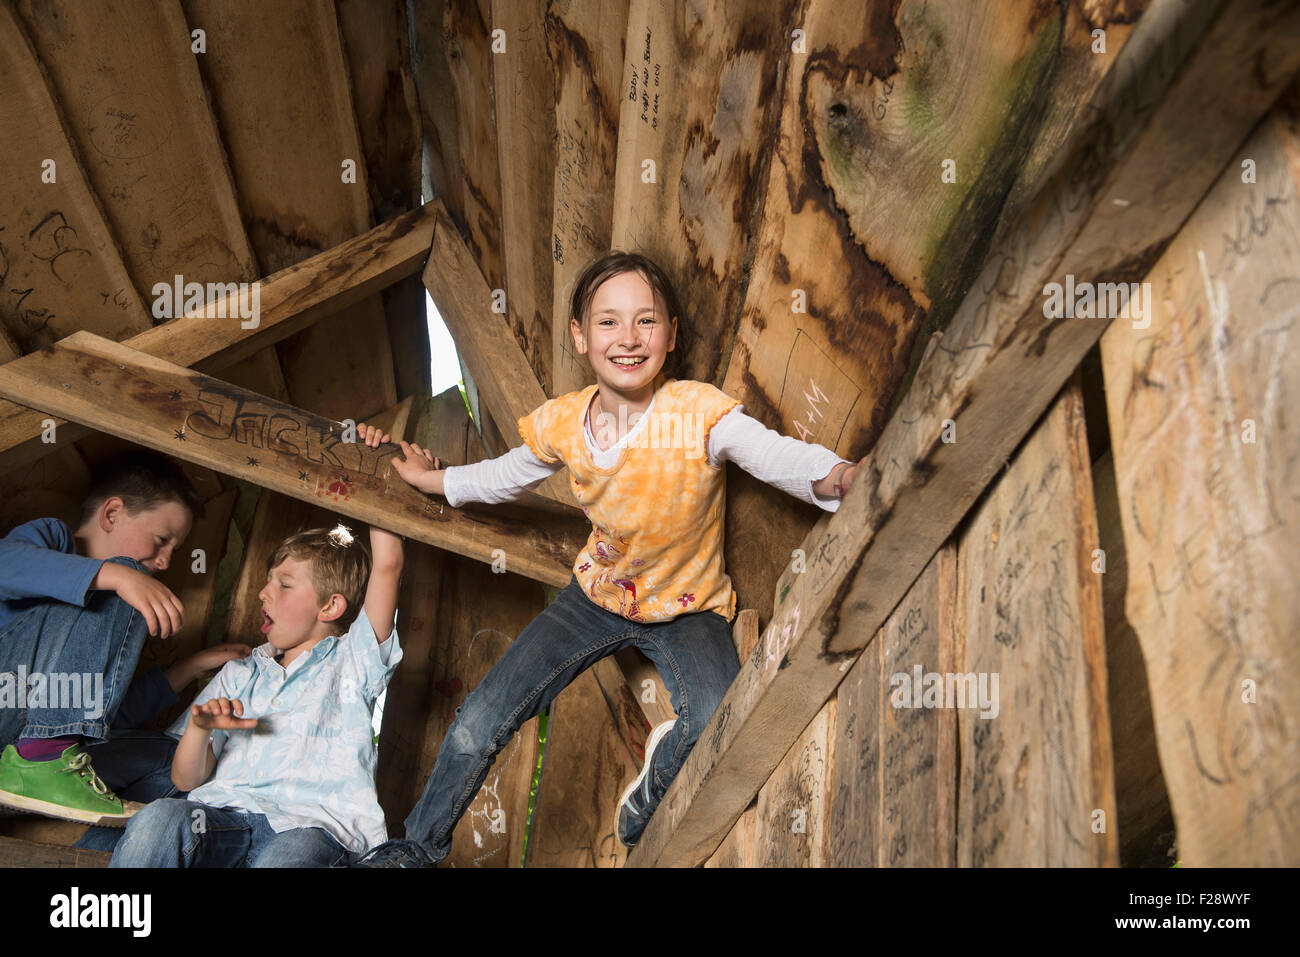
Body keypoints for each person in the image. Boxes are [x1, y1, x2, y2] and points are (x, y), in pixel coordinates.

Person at [355, 250, 867, 867]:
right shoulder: (566, 424)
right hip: (594, 598)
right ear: (580, 336)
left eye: (646, 321)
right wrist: (436, 483)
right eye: (608, 322)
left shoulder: (696, 413)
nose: (628, 338)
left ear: (671, 335)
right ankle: (410, 853)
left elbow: (774, 454)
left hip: (689, 605)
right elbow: (506, 475)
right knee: (479, 719)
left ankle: (646, 798)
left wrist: (836, 476)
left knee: (713, 716)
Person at [110, 431, 408, 867]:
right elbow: (183, 777)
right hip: (222, 819)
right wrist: (199, 729)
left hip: (312, 828)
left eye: (284, 585)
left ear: (330, 606)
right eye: (267, 582)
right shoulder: (240, 674)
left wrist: (378, 460)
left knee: (287, 858)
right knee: (160, 817)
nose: (264, 594)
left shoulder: (352, 661)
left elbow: (387, 565)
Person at [0, 451, 248, 827]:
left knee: (169, 754)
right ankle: (43, 757)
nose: (165, 561)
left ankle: (45, 764)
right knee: (125, 570)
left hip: (14, 763)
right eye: (161, 540)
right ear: (112, 514)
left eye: (174, 551)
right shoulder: (50, 537)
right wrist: (118, 576)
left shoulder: (107, 619)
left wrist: (190, 667)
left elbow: (97, 715)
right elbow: (6, 564)